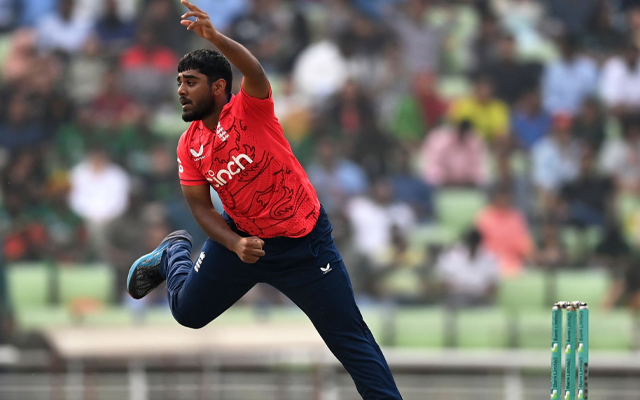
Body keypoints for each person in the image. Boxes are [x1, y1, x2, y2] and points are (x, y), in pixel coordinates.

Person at [126, 2, 403, 399]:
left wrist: (216, 38)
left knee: (350, 340)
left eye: (190, 82)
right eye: (179, 82)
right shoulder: (189, 145)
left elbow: (254, 71)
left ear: (218, 87)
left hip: (305, 247)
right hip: (244, 243)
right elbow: (201, 207)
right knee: (188, 314)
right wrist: (235, 243)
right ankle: (174, 251)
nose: (181, 91)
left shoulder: (250, 108)